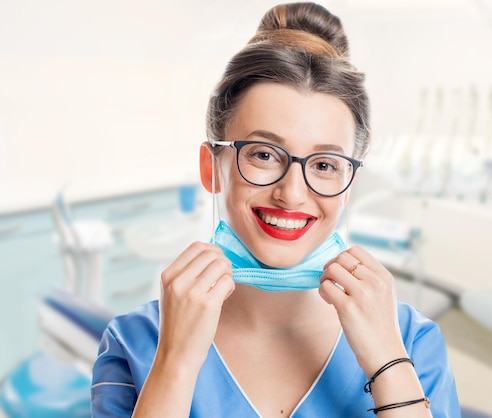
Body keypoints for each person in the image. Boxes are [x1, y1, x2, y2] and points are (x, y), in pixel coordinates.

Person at [91, 2, 461, 417]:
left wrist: (389, 362)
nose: (293, 193)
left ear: (348, 183)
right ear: (212, 166)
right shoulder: (136, 343)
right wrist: (175, 364)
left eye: (324, 165)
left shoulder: (411, 340)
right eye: (264, 154)